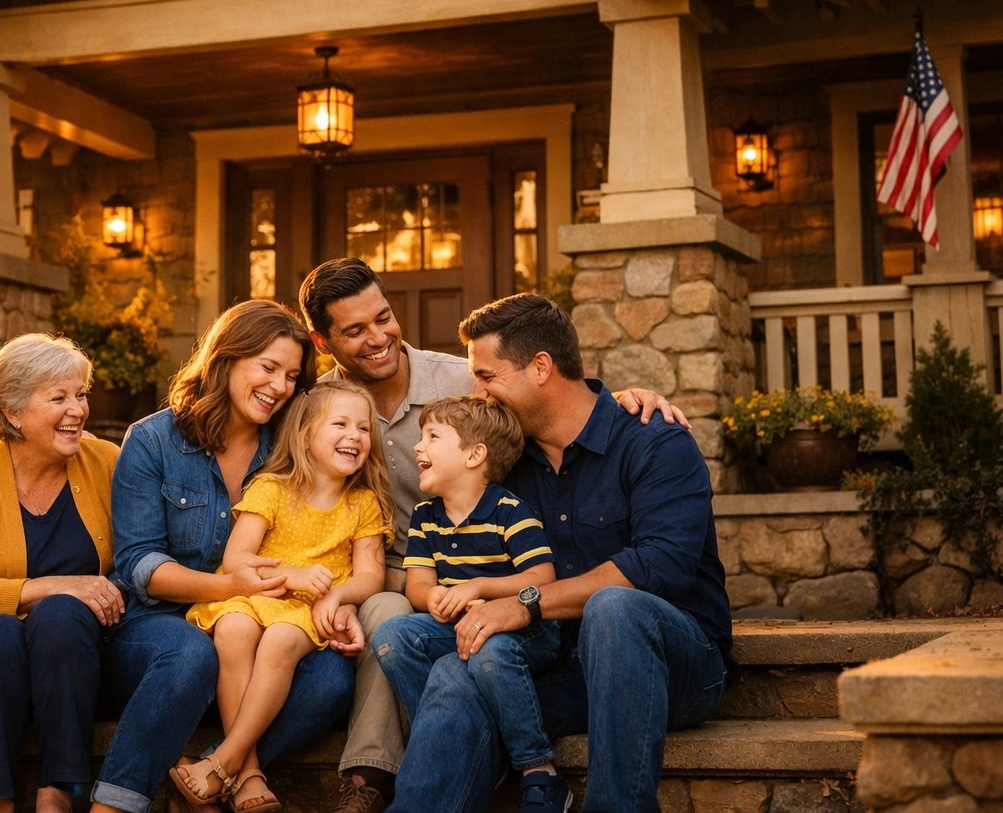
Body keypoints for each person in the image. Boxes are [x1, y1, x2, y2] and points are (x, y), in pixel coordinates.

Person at [297, 258, 686, 813]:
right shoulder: (319, 405)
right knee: (440, 655)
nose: (378, 336)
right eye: (355, 330)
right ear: (325, 339)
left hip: (531, 607)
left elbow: (556, 397)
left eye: (384, 317)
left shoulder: (468, 389)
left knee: (607, 612)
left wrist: (624, 399)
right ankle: (398, 784)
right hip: (412, 579)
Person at [386, 294, 732, 813]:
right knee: (461, 666)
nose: (475, 388)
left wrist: (524, 603)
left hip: (675, 662)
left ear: (541, 367)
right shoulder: (506, 463)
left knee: (614, 607)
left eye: (486, 375)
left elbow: (661, 567)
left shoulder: (653, 443)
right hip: (559, 663)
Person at [89, 300, 355, 813]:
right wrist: (230, 587)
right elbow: (140, 564)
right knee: (191, 651)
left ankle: (206, 771)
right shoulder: (153, 439)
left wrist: (338, 596)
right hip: (159, 622)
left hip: (265, 617)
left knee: (331, 682)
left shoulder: (291, 444)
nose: (279, 386)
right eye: (268, 367)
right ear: (227, 359)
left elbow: (336, 521)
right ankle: (119, 803)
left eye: (291, 376)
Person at [176, 380, 393, 813]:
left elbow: (371, 576)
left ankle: (223, 760)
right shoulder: (272, 488)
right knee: (234, 630)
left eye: (364, 428)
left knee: (277, 640)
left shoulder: (363, 503)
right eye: (341, 424)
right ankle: (248, 771)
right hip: (257, 593)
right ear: (305, 435)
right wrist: (292, 574)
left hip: (305, 611)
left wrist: (337, 594)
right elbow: (238, 558)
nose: (355, 435)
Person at [0, 333, 121, 813]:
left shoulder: (106, 462)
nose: (77, 409)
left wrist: (70, 598)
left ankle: (56, 793)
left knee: (59, 616)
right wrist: (63, 585)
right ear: (13, 413)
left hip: (81, 647)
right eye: (58, 398)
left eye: (80, 394)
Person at [371, 396, 567, 812]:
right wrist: (434, 597)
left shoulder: (509, 511)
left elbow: (542, 580)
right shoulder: (426, 516)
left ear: (475, 454)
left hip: (524, 630)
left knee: (491, 654)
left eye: (432, 437)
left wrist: (478, 585)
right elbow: (418, 587)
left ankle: (537, 768)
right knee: (392, 635)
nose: (417, 448)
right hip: (456, 626)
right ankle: (447, 737)